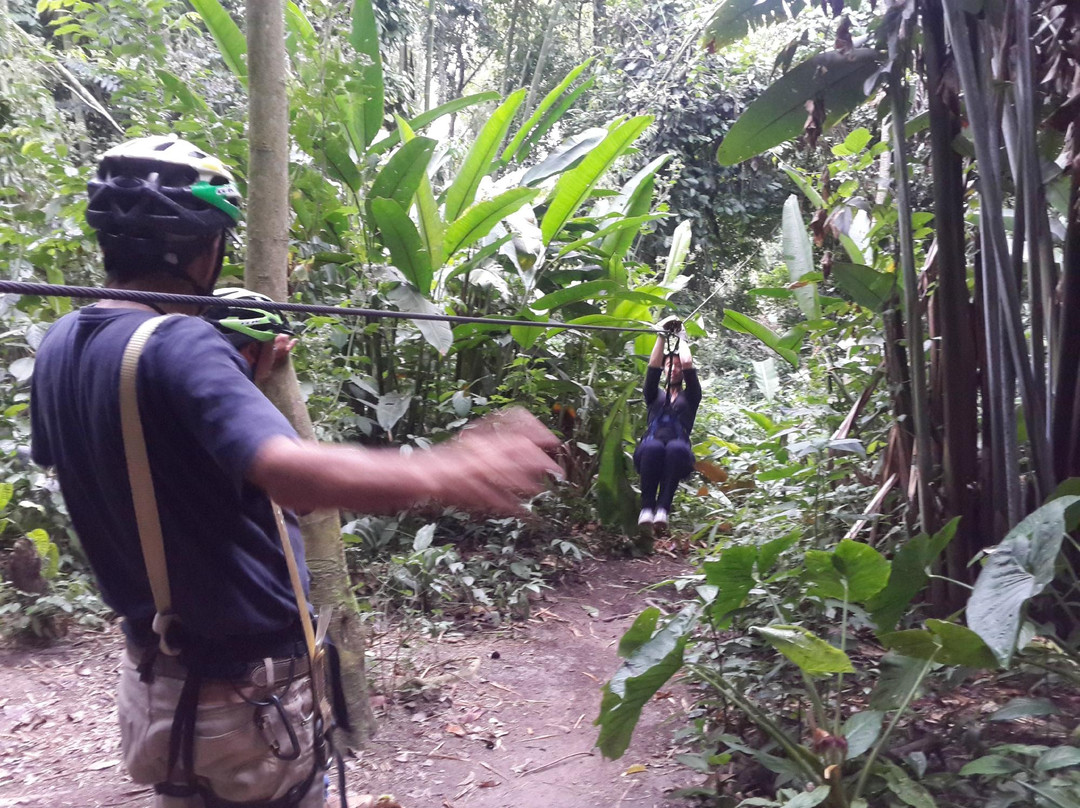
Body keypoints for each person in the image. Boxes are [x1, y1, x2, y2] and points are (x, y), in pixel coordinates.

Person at [29, 135, 560, 808]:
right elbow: (290, 473)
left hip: (159, 684)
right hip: (242, 697)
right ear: (204, 248)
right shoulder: (179, 341)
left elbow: (143, 468)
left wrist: (245, 378)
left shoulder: (59, 349)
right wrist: (452, 469)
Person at [633, 317, 701, 528]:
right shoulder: (654, 395)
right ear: (665, 369)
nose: (674, 369)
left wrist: (681, 339)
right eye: (670, 365)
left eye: (677, 366)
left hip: (678, 452)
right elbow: (653, 366)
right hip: (650, 449)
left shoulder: (691, 396)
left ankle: (663, 508)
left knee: (676, 447)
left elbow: (688, 363)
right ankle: (647, 507)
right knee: (653, 446)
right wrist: (661, 335)